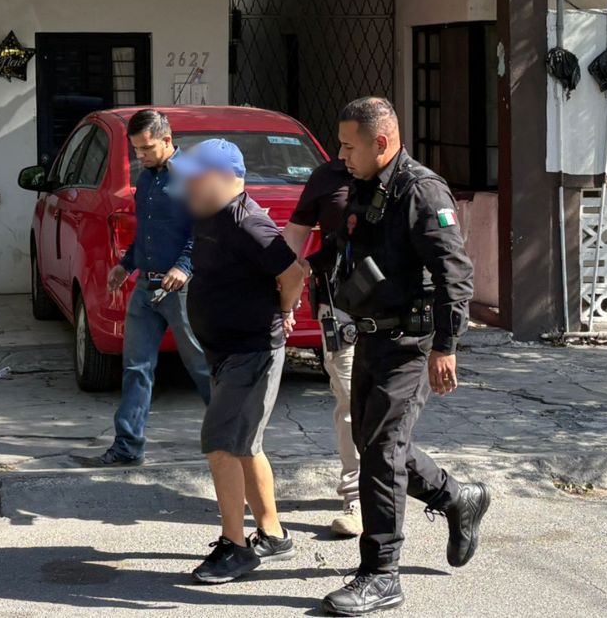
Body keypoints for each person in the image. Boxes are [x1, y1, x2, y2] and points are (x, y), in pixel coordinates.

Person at [316, 97, 490, 615]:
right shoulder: (368, 185)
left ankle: (381, 574)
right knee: (374, 445)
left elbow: (455, 275)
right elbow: (347, 247)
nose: (341, 155)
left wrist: (446, 346)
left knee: (383, 453)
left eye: (348, 146)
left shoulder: (421, 191)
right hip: (370, 337)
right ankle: (457, 498)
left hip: (410, 345)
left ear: (381, 142)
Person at [173, 138, 308, 584]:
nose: (187, 184)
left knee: (220, 444)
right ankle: (274, 535)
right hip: (225, 351)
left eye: (194, 177)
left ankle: (235, 547)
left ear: (223, 177)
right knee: (245, 444)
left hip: (252, 353)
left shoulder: (250, 222)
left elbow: (293, 272)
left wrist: (285, 309)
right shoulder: (207, 215)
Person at [82, 109, 211, 467]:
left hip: (181, 290)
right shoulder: (147, 178)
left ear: (167, 140)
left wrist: (184, 266)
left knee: (202, 366)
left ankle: (231, 439)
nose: (140, 155)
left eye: (147, 148)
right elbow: (146, 233)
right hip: (145, 287)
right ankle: (127, 446)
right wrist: (125, 265)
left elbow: (203, 230)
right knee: (136, 368)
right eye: (136, 149)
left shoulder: (192, 177)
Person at [282, 159, 362, 537]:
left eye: (351, 143)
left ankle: (390, 482)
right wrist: (283, 290)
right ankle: (357, 496)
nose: (345, 152)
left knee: (386, 403)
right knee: (350, 398)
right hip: (339, 307)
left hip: (393, 310)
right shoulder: (327, 177)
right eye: (341, 143)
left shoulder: (401, 177)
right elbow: (294, 236)